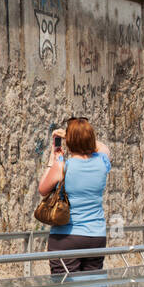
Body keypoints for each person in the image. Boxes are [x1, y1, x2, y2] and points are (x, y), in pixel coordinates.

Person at [36, 117, 111, 275]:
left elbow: (43, 189)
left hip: (66, 237)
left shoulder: (63, 166)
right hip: (96, 236)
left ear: (69, 142)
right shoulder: (102, 162)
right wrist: (81, 136)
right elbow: (103, 148)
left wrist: (53, 158)